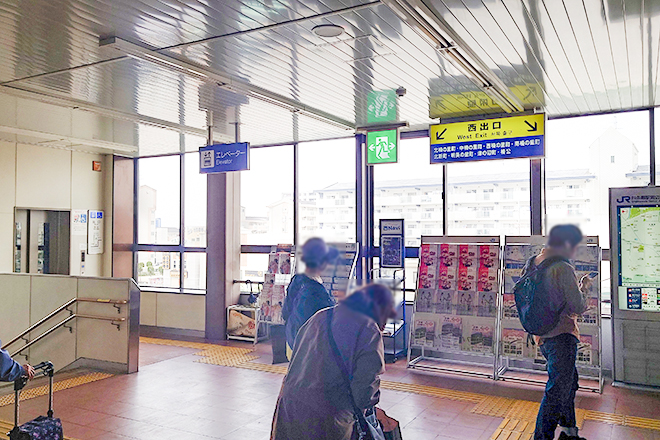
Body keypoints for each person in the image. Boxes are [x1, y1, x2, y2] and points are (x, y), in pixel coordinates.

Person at [271, 284, 397, 440]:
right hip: (326, 416)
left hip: (289, 405)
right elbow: (364, 392)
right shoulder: (368, 327)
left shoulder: (319, 316)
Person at [529, 225, 592, 440]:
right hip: (562, 335)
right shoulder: (563, 267)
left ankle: (569, 431)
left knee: (568, 382)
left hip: (541, 334)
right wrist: (584, 288)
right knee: (557, 389)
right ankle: (541, 437)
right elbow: (577, 306)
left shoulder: (533, 263)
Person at [282, 237, 338, 358]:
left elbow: (285, 312)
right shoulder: (316, 292)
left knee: (296, 375)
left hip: (292, 343)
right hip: (309, 351)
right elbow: (327, 324)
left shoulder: (297, 280)